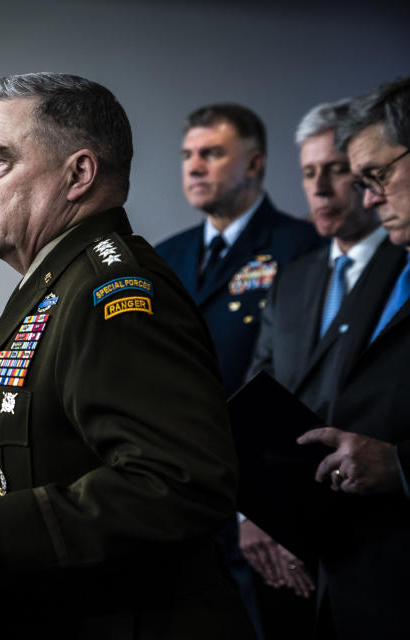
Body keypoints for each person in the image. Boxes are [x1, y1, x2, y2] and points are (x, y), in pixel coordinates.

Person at [0, 73, 253, 637]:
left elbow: (180, 483)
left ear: (79, 175)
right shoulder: (58, 280)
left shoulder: (113, 292)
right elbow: (61, 452)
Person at [156, 103, 324, 636]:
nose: (194, 166)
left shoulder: (301, 249)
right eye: (187, 155)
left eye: (212, 153)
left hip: (263, 498)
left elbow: (301, 386)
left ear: (254, 164)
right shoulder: (165, 257)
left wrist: (263, 509)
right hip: (181, 492)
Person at [244, 99, 385, 639]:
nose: (321, 188)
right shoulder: (294, 280)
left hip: (378, 543)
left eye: (336, 169)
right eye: (308, 173)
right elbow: (260, 397)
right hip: (286, 546)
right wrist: (257, 515)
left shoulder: (404, 263)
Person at [284, 76, 410, 640]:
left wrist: (402, 467)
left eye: (378, 175)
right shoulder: (386, 261)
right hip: (350, 579)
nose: (369, 197)